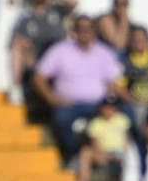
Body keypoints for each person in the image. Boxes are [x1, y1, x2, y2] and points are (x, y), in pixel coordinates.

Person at [33, 15, 122, 161]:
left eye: (88, 29)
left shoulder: (105, 53)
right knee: (62, 118)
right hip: (68, 104)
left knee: (123, 116)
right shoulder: (60, 50)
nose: (84, 32)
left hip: (98, 104)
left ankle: (110, 159)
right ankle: (73, 157)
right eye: (80, 28)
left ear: (94, 31)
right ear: (74, 31)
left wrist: (111, 102)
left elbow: (114, 82)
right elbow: (39, 77)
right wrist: (51, 98)